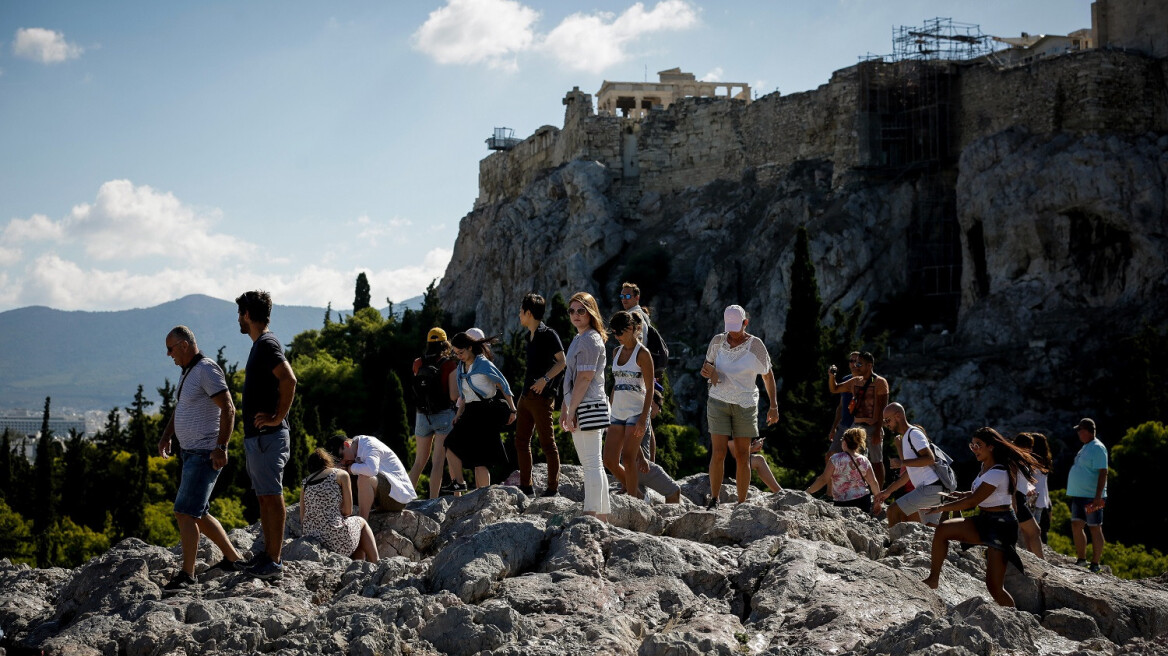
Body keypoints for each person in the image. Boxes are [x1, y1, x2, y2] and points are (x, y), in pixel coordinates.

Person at [157, 326, 245, 592]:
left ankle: (188, 574)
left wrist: (221, 446)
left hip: (204, 453)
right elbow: (181, 408)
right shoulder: (189, 372)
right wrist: (166, 436)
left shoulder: (206, 369)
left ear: (184, 345)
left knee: (184, 511)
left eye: (170, 349)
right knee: (198, 512)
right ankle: (233, 559)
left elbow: (229, 408)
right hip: (191, 453)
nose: (168, 354)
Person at [919, 427, 1041, 608]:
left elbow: (974, 501)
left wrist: (940, 507)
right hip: (985, 519)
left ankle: (1016, 618)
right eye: (972, 445)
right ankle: (933, 579)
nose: (974, 448)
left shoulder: (998, 472)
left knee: (994, 587)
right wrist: (961, 495)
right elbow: (979, 494)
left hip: (1001, 526)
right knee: (943, 530)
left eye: (978, 445)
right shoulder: (985, 467)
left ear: (991, 447)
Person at [236, 290, 297, 581]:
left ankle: (274, 560)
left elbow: (289, 378)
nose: (238, 319)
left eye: (240, 313)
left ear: (248, 315)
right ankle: (268, 555)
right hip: (259, 438)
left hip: (268, 437)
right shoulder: (261, 344)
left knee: (272, 496)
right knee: (264, 497)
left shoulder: (267, 343)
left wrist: (277, 418)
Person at [700, 305, 780, 508]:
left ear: (746, 323)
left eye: (737, 326)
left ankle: (741, 502)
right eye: (730, 327)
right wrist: (710, 373)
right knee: (718, 452)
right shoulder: (718, 341)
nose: (733, 332)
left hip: (745, 404)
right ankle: (715, 498)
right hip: (718, 401)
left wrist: (773, 406)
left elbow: (767, 375)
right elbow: (707, 365)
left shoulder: (755, 345)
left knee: (744, 455)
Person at [561, 292, 612, 522]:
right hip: (581, 404)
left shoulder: (591, 339)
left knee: (591, 463)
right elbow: (570, 378)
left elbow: (585, 377)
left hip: (588, 405)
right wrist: (565, 408)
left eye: (581, 310)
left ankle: (591, 514)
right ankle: (601, 515)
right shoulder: (579, 338)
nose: (575, 315)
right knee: (593, 463)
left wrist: (571, 410)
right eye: (572, 311)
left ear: (591, 312)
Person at [444, 331, 517, 489]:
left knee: (480, 461)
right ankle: (459, 483)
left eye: (461, 352)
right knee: (450, 444)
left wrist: (513, 409)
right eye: (456, 353)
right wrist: (458, 414)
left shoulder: (483, 364)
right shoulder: (461, 367)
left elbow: (503, 385)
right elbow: (465, 395)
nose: (459, 356)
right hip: (470, 412)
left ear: (470, 347)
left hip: (485, 413)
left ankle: (483, 495)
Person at [515, 294, 566, 497]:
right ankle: (526, 487)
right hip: (526, 396)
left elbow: (562, 362)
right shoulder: (530, 336)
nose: (519, 315)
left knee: (547, 444)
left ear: (529, 313)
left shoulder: (548, 334)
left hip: (542, 398)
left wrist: (545, 379)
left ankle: (553, 489)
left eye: (521, 311)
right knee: (521, 441)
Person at [604, 311, 654, 497]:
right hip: (617, 410)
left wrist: (643, 418)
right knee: (609, 459)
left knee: (628, 458)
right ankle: (638, 495)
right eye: (614, 333)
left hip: (636, 410)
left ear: (632, 329)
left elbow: (649, 389)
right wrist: (609, 410)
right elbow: (616, 385)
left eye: (620, 332)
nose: (617, 337)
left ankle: (634, 501)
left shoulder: (643, 354)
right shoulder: (616, 352)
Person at [299, 448, 379, 562]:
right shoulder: (340, 474)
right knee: (361, 522)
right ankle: (375, 562)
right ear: (328, 461)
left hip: (314, 542)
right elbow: (348, 511)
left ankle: (358, 563)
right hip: (337, 541)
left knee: (353, 529)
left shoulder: (305, 483)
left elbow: (303, 519)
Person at [874, 403, 945, 527]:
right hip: (933, 489)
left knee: (892, 510)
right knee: (929, 529)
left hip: (929, 488)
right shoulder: (907, 437)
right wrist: (887, 492)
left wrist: (902, 462)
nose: (886, 424)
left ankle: (894, 546)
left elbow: (929, 459)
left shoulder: (914, 434)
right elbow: (907, 476)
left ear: (898, 416)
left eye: (887, 420)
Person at [408, 328, 460, 499]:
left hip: (422, 415)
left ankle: (405, 498)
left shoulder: (418, 363)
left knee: (418, 462)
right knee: (437, 462)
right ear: (445, 343)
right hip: (444, 415)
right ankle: (432, 501)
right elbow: (453, 395)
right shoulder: (449, 364)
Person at [827, 352, 889, 485]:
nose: (856, 366)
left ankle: (878, 494)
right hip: (857, 426)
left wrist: (878, 430)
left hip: (873, 427)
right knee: (850, 457)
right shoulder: (855, 381)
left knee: (876, 461)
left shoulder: (879, 382)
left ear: (869, 365)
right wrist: (832, 376)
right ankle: (852, 487)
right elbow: (835, 388)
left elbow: (883, 409)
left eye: (859, 364)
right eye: (855, 363)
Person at [806, 351, 862, 497]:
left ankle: (854, 493)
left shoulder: (866, 381)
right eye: (851, 361)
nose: (853, 364)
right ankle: (830, 493)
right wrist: (834, 427)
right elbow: (840, 405)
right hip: (844, 425)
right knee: (830, 456)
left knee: (856, 460)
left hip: (858, 427)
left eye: (856, 361)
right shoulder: (847, 379)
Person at [327, 433, 418, 518]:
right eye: (338, 460)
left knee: (364, 477)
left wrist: (350, 468)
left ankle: (362, 525)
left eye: (341, 456)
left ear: (347, 445)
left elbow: (371, 470)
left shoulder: (369, 445)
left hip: (397, 497)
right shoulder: (353, 454)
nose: (342, 462)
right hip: (381, 497)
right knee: (340, 475)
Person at [805, 427, 882, 513]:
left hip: (843, 502)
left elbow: (824, 479)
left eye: (842, 439)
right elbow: (873, 482)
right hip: (863, 500)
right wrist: (878, 502)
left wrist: (808, 491)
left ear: (844, 442)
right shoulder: (864, 460)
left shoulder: (835, 459)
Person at [1068, 418, 1108, 573]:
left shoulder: (1097, 447)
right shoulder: (1085, 447)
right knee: (1077, 525)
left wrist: (1098, 496)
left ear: (1087, 431)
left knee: (1094, 527)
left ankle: (1095, 563)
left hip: (1091, 496)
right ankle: (1082, 559)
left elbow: (1103, 472)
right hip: (1079, 495)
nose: (1078, 433)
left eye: (1080, 431)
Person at [635, 385, 681, 504]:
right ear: (651, 402)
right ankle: (672, 522)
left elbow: (651, 439)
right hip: (639, 465)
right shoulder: (641, 416)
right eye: (659, 406)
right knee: (674, 490)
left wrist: (652, 461)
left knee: (643, 503)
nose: (660, 411)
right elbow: (630, 439)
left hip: (636, 466)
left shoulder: (643, 414)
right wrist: (642, 459)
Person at [1010, 433, 1048, 559]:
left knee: (1028, 533)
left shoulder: (1014, 458)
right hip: (1017, 500)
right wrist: (1014, 501)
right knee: (1035, 531)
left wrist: (1028, 489)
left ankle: (1034, 558)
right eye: (1030, 447)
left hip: (1018, 499)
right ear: (1024, 446)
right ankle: (1041, 561)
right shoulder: (1015, 460)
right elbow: (1013, 482)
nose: (1031, 450)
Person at [1016, 432, 1053, 543]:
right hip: (1042, 498)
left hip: (1030, 497)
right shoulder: (1047, 461)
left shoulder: (1031, 461)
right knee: (1036, 528)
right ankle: (1035, 548)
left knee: (1026, 529)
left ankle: (1028, 549)